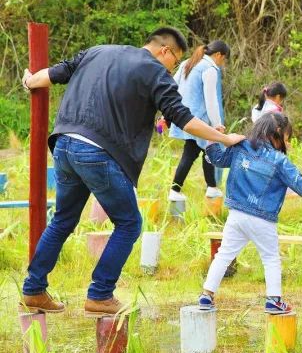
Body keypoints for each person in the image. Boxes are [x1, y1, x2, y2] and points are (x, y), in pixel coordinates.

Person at [20, 27, 244, 316]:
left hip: (63, 143)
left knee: (63, 219)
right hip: (98, 151)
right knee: (129, 223)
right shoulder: (155, 72)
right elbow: (183, 119)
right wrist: (225, 138)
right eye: (175, 62)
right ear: (166, 51)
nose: (173, 69)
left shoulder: (97, 50)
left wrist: (29, 80)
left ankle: (33, 289)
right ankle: (100, 294)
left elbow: (52, 75)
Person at [198, 113, 302, 313]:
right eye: (287, 138)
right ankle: (274, 300)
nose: (287, 144)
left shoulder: (241, 147)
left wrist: (212, 140)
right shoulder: (279, 160)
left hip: (236, 214)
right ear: (277, 134)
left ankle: (206, 296)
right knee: (270, 257)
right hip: (263, 218)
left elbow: (217, 159)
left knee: (224, 254)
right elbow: (298, 181)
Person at [168, 40, 231, 201]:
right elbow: (211, 100)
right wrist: (217, 124)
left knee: (194, 151)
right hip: (200, 119)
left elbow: (171, 85)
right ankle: (209, 187)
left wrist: (169, 112)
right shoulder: (209, 69)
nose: (221, 64)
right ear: (218, 55)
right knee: (206, 150)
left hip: (184, 116)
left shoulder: (187, 63)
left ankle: (201, 188)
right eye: (223, 60)